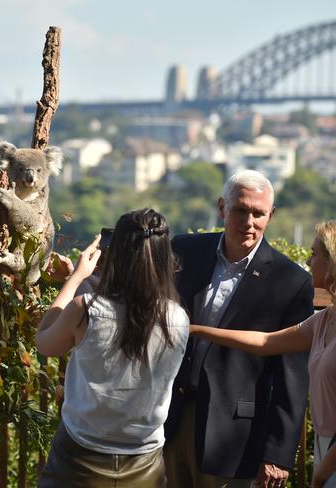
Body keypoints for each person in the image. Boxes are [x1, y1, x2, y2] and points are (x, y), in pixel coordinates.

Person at [163, 170, 314, 488]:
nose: (250, 221)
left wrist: (277, 452)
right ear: (221, 208)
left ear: (271, 215)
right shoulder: (185, 251)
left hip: (233, 436)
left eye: (259, 213)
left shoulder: (291, 281)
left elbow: (293, 375)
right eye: (241, 210)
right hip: (168, 419)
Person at [37, 208, 190, 487]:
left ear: (115, 254)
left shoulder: (86, 310)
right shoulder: (177, 318)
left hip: (78, 460)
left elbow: (45, 341)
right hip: (145, 462)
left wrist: (76, 277)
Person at [190, 220, 336, 488]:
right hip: (326, 448)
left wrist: (321, 473)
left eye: (315, 254)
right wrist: (198, 330)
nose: (308, 259)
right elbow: (266, 342)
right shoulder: (326, 319)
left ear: (332, 262)